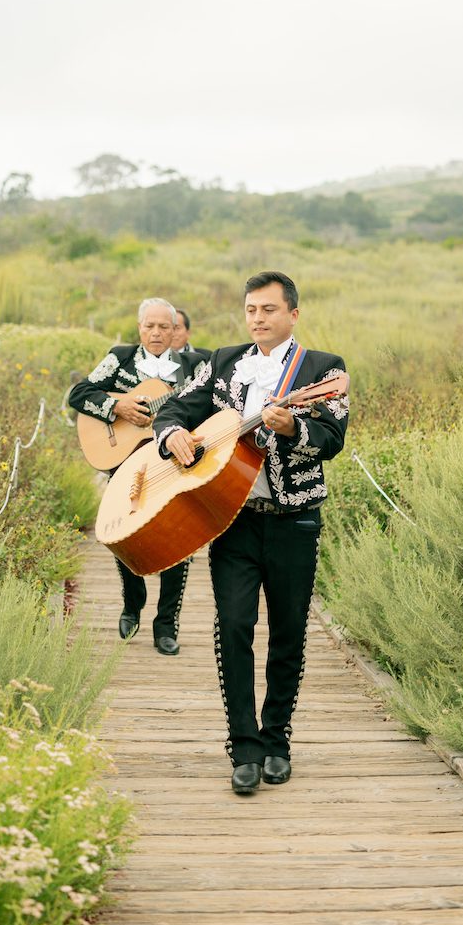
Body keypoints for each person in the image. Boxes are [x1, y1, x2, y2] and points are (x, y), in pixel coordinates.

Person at [153, 271, 349, 793]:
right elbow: (175, 405)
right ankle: (242, 746)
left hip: (295, 521)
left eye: (267, 309)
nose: (257, 318)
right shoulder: (222, 363)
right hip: (233, 521)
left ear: (293, 314)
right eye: (251, 310)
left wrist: (294, 428)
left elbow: (332, 438)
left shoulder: (324, 369)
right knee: (234, 627)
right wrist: (171, 435)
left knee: (288, 632)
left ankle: (277, 740)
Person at [69, 298, 208, 655]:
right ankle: (132, 604)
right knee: (125, 533)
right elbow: (79, 393)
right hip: (126, 461)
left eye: (166, 326)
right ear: (140, 328)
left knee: (179, 541)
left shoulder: (195, 364)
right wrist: (117, 406)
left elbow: (213, 407)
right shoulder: (120, 357)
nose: (158, 333)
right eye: (151, 326)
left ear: (177, 330)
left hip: (173, 464)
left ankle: (166, 625)